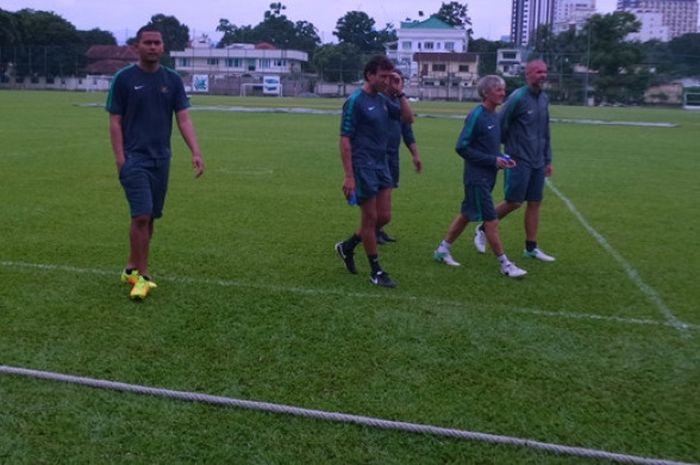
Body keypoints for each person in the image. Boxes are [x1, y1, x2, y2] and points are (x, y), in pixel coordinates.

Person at [107, 25, 205, 300]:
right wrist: (120, 159)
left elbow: (183, 118)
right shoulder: (124, 79)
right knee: (140, 215)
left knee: (149, 219)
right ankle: (143, 276)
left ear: (162, 47)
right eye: (147, 42)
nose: (152, 47)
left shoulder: (172, 80)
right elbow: (114, 121)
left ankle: (130, 267)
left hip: (162, 159)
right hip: (134, 158)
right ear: (137, 46)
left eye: (157, 43)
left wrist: (195, 151)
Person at [434, 75, 527, 278]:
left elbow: (489, 148)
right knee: (491, 221)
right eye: (499, 90)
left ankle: (442, 250)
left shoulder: (495, 116)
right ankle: (505, 265)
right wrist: (492, 161)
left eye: (504, 89)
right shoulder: (477, 115)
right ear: (486, 93)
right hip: (477, 178)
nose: (503, 93)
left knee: (467, 214)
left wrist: (502, 158)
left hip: (488, 176)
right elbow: (462, 147)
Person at [334, 55, 414, 288]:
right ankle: (376, 270)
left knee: (383, 217)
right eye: (383, 76)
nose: (387, 81)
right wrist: (349, 175)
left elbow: (408, 119)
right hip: (363, 165)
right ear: (370, 75)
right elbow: (345, 140)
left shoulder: (382, 99)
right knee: (369, 218)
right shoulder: (355, 101)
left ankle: (347, 246)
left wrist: (399, 92)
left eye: (390, 76)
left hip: (382, 164)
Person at [473, 59, 555, 262]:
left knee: (535, 202)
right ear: (528, 74)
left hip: (538, 160)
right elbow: (499, 125)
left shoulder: (544, 99)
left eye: (544, 71)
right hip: (518, 159)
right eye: (538, 72)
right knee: (514, 202)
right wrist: (504, 153)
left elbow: (545, 131)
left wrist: (548, 159)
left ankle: (531, 248)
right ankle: (483, 227)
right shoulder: (517, 98)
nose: (542, 75)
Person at [377, 69, 423, 245]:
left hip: (393, 155)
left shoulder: (398, 102)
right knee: (381, 197)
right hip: (378, 156)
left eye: (400, 80)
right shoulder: (381, 100)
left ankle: (377, 230)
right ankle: (372, 229)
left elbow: (408, 130)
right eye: (394, 80)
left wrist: (415, 155)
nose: (398, 84)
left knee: (387, 195)